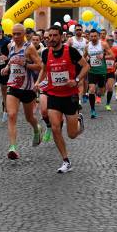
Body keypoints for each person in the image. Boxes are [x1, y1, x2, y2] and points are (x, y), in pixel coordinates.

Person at [37, 25, 89, 174]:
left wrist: (77, 79)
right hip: (53, 94)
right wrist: (38, 82)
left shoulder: (71, 51)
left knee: (72, 134)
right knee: (55, 127)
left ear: (61, 36)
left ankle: (79, 121)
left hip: (70, 95)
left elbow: (86, 66)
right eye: (49, 36)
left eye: (54, 36)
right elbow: (45, 69)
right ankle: (66, 160)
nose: (51, 39)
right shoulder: (46, 53)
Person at [1, 24, 42, 159]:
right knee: (11, 115)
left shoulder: (29, 48)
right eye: (14, 34)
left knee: (29, 117)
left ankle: (36, 129)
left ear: (24, 34)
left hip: (27, 88)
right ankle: (13, 147)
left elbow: (39, 66)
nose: (16, 36)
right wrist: (7, 68)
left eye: (19, 34)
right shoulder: (10, 46)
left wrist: (25, 64)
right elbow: (11, 60)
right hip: (13, 85)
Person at [84, 29, 113, 119]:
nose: (93, 38)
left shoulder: (103, 44)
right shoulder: (87, 46)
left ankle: (98, 91)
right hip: (92, 71)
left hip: (102, 71)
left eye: (95, 36)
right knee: (91, 90)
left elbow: (112, 55)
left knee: (101, 91)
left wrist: (103, 56)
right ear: (89, 37)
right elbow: (83, 57)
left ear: (98, 36)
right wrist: (86, 61)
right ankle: (93, 110)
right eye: (91, 36)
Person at [67, 26, 88, 102]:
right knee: (72, 80)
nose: (78, 31)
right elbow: (66, 50)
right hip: (73, 63)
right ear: (74, 31)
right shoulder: (71, 40)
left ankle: (79, 100)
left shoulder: (85, 41)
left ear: (82, 31)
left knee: (81, 81)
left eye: (80, 30)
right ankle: (71, 95)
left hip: (82, 63)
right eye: (77, 30)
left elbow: (88, 52)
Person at [104, 35, 117, 111]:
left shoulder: (115, 49)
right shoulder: (102, 49)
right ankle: (98, 95)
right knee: (101, 90)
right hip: (102, 72)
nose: (110, 42)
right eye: (108, 41)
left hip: (111, 71)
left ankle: (107, 104)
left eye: (112, 41)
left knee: (110, 88)